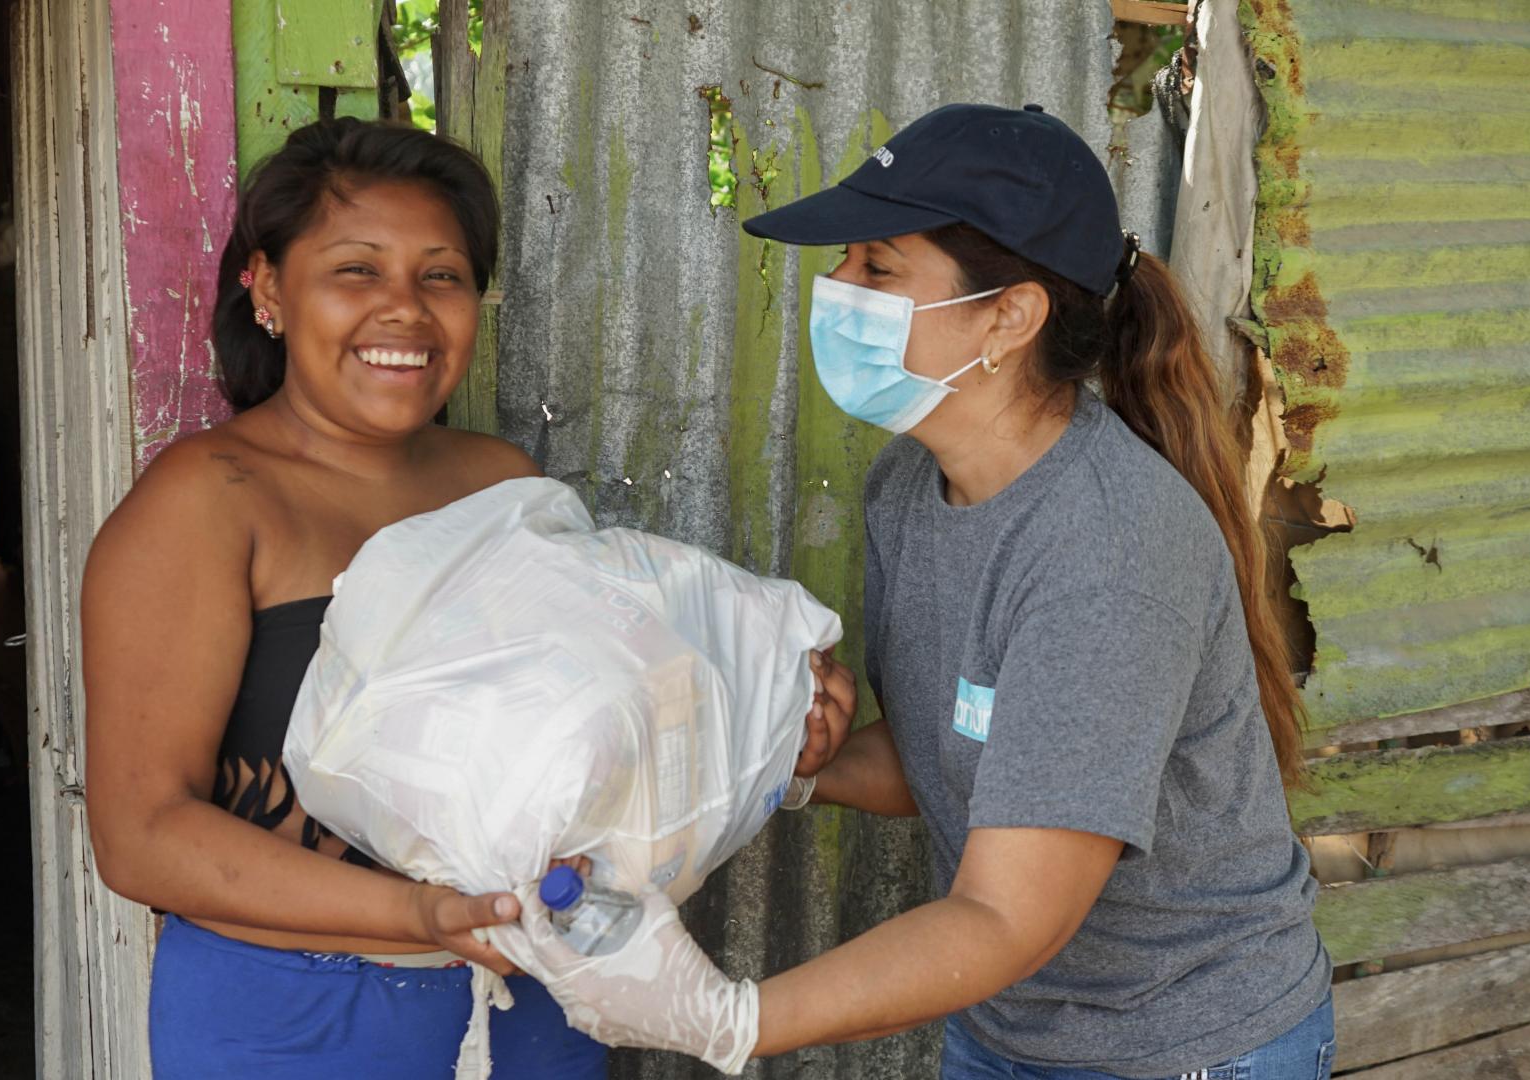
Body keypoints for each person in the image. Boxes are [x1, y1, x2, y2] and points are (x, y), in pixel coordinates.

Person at [515, 103, 1334, 1080]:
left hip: (1180, 1044)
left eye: (878, 267)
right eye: (846, 262)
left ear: (1009, 318)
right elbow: (955, 759)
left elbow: (1003, 914)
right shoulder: (908, 487)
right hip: (1009, 1027)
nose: (837, 288)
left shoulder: (1105, 556)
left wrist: (728, 1018)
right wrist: (786, 758)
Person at [80, 118, 612, 1078]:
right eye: (357, 271)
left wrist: (765, 726)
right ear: (270, 290)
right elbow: (141, 835)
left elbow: (578, 738)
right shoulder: (207, 500)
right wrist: (421, 914)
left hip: (529, 1002)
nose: (404, 310)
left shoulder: (502, 485)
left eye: (440, 275)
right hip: (292, 1019)